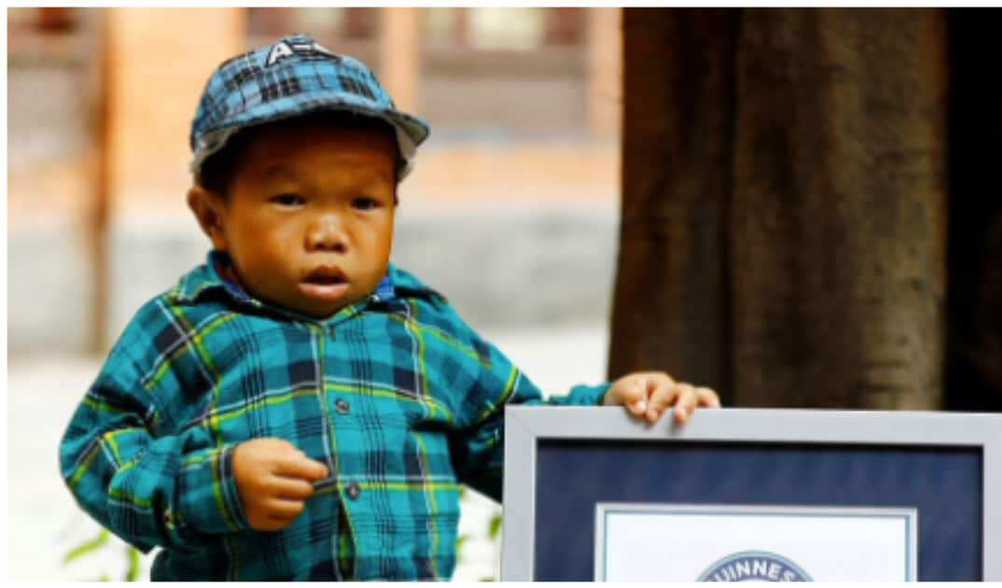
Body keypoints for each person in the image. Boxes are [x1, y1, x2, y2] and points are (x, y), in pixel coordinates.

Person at [58, 34, 720, 581]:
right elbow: (94, 447)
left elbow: (514, 438)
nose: (329, 232)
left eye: (363, 203)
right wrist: (211, 484)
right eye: (290, 200)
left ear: (395, 210)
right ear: (213, 218)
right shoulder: (184, 327)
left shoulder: (422, 329)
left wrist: (613, 411)